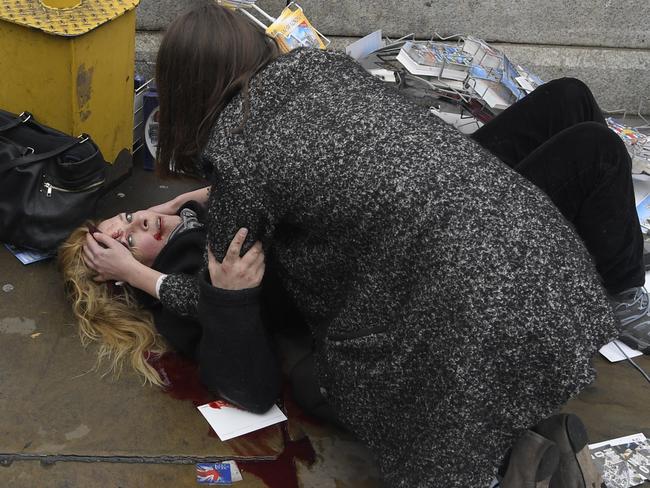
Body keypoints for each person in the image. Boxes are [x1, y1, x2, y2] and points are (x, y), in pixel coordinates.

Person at [82, 2, 638, 486]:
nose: (138, 226)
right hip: (558, 275)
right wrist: (156, 252)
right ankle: (529, 451)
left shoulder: (238, 175)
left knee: (376, 397)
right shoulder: (319, 71)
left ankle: (511, 466)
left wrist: (145, 258)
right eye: (125, 238)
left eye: (127, 218)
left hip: (474, 313)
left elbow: (236, 307)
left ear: (183, 91)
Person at [60, 202, 281, 413]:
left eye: (128, 216)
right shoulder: (183, 275)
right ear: (122, 273)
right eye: (129, 240)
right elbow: (207, 304)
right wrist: (133, 272)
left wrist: (176, 204)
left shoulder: (186, 220)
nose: (141, 220)